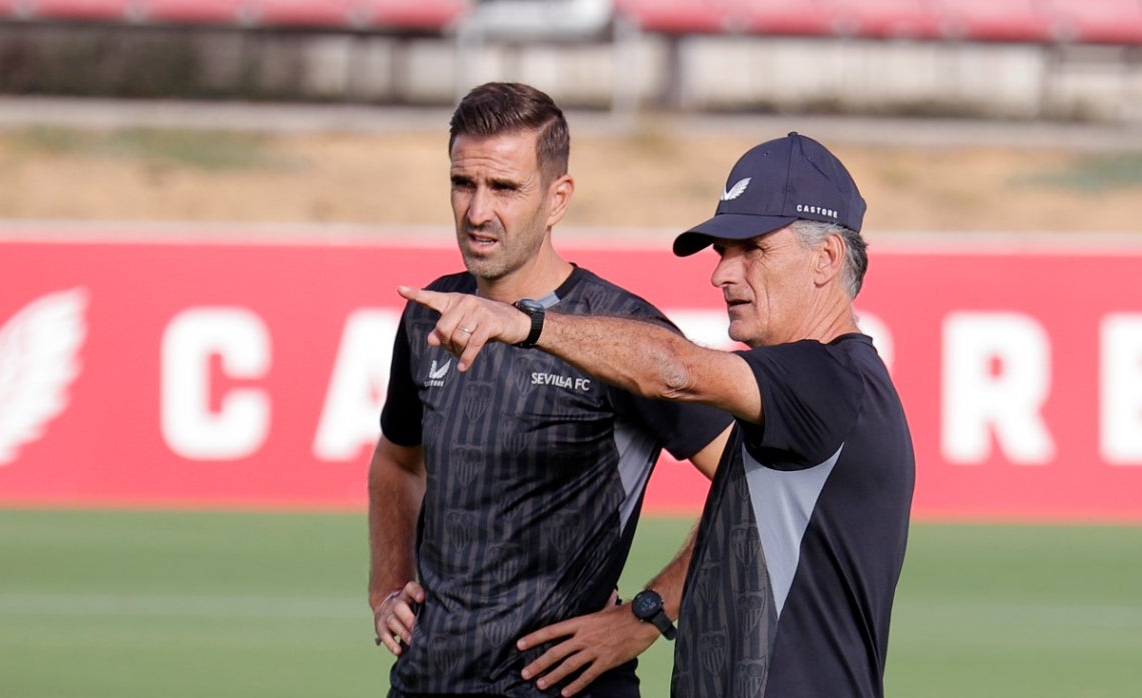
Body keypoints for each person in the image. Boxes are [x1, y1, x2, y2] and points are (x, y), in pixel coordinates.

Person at [400, 131, 916, 697]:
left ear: (826, 259)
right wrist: (648, 609)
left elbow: (675, 371)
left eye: (753, 250)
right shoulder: (801, 390)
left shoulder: (829, 379)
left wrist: (527, 325)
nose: (722, 274)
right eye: (722, 252)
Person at [368, 81, 732, 698]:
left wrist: (648, 613)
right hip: (426, 680)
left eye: (505, 188)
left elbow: (750, 481)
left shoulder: (621, 335)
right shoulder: (429, 314)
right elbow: (396, 461)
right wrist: (387, 582)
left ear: (558, 198)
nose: (478, 211)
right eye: (463, 183)